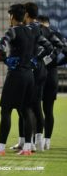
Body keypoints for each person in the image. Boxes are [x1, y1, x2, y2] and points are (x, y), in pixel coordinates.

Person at [0, 4, 35, 156]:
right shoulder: (32, 31)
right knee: (26, 110)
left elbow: (0, 46)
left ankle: (1, 149)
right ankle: (27, 148)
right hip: (30, 75)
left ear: (12, 16)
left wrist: (6, 59)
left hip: (16, 75)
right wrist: (34, 60)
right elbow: (47, 46)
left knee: (6, 110)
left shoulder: (13, 30)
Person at [10, 2, 54, 152]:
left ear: (26, 14)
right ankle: (32, 142)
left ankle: (31, 143)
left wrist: (35, 58)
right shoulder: (39, 28)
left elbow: (50, 47)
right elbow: (55, 46)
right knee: (32, 107)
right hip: (38, 72)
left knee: (29, 107)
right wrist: (43, 59)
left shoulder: (33, 29)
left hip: (32, 72)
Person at [37, 15, 67, 150]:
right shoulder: (57, 35)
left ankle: (33, 141)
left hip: (38, 74)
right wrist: (56, 63)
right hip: (51, 75)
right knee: (48, 110)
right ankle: (47, 141)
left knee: (34, 109)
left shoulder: (36, 34)